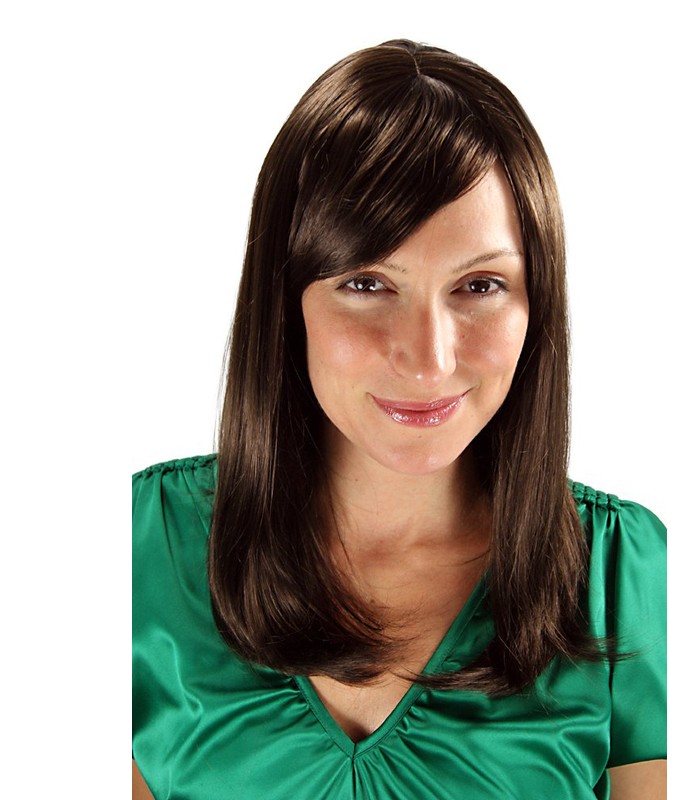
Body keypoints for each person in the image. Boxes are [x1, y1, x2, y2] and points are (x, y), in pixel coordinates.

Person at [132, 39, 666, 799]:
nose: (427, 360)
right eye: (366, 283)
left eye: (479, 285)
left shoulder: (630, 576)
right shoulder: (138, 549)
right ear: (286, 301)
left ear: (537, 302)